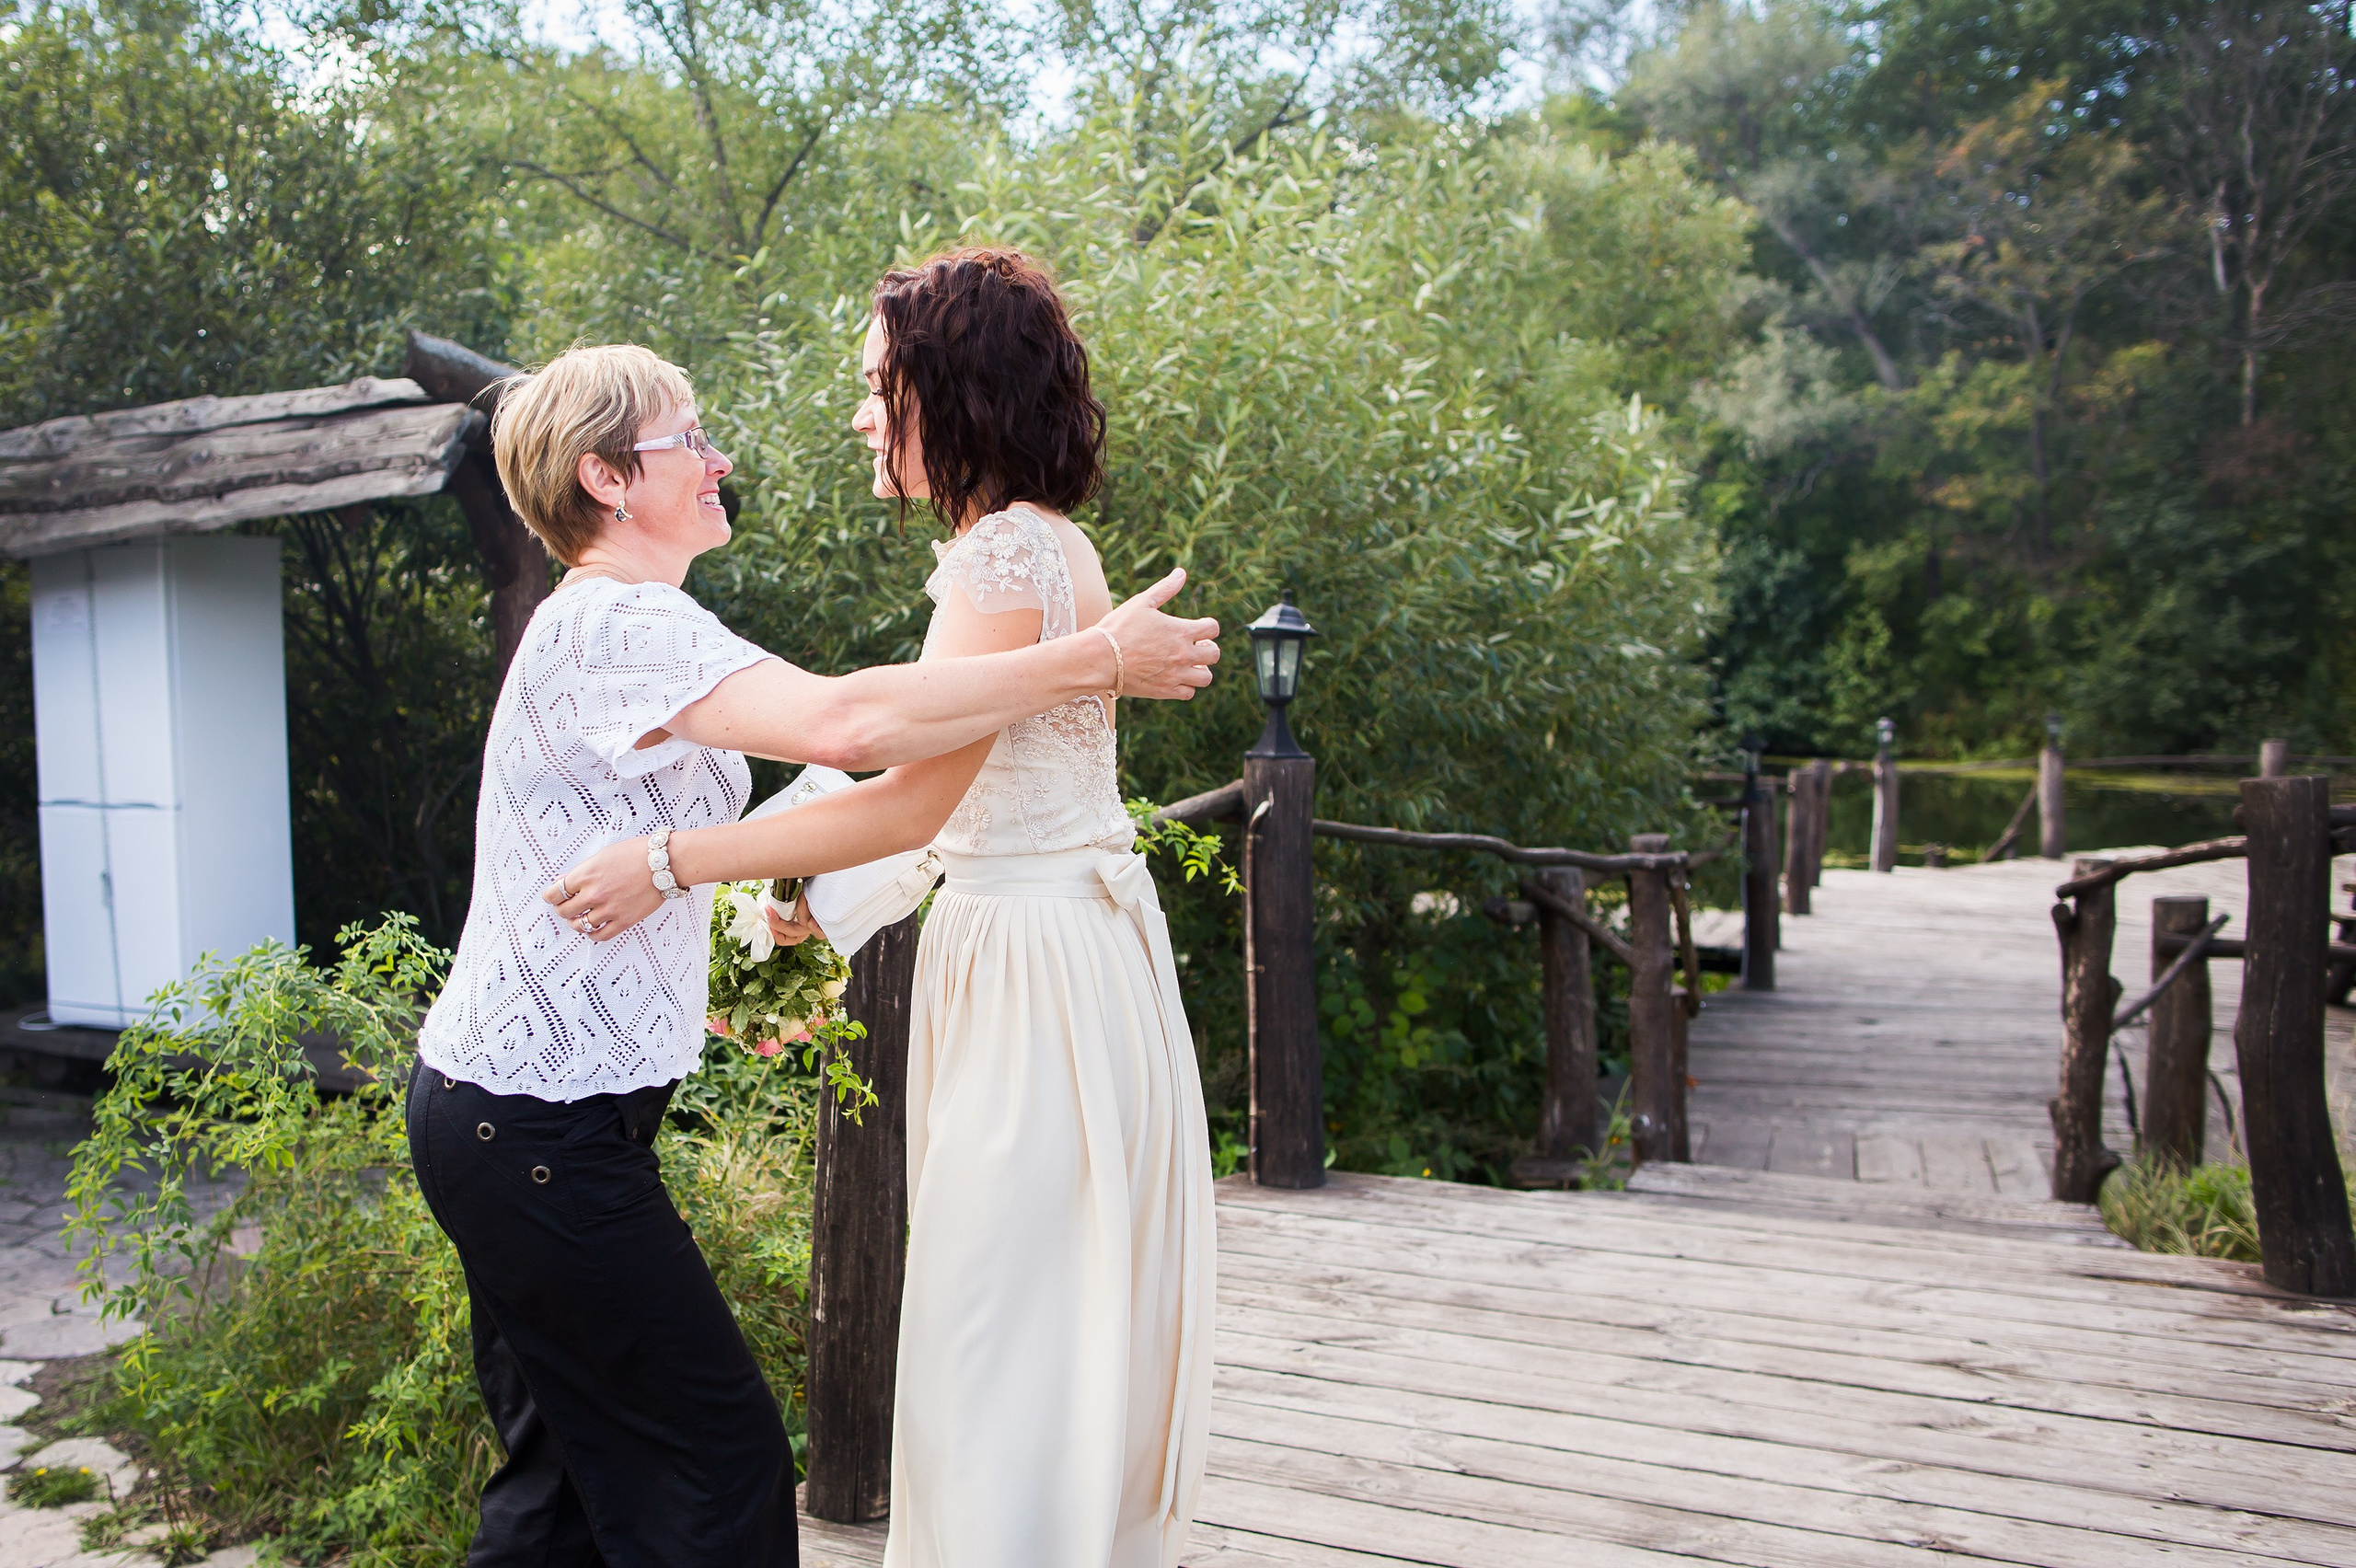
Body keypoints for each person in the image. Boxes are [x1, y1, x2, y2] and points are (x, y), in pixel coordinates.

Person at [406, 340, 1220, 1568]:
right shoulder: (616, 625)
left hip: (527, 1123)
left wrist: (764, 912)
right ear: (609, 478)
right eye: (691, 439)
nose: (721, 458)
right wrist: (1097, 657)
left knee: (566, 1486)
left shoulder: (645, 621)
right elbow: (853, 722)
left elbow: (840, 781)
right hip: (526, 1133)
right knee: (717, 1461)